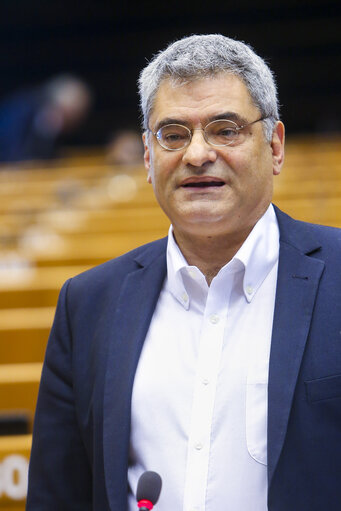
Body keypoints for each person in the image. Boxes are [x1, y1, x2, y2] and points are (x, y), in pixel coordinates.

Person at [27, 35, 341, 511]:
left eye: (225, 129)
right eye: (173, 134)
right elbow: (57, 496)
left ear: (275, 146)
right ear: (148, 158)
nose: (196, 154)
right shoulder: (86, 303)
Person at [0, 75, 92, 163]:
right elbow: (15, 157)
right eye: (69, 117)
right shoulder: (22, 110)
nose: (70, 126)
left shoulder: (44, 117)